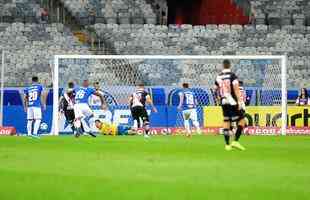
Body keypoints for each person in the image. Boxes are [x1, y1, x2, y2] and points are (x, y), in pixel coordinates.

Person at [214, 60, 246, 151]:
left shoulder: (218, 76)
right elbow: (236, 89)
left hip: (223, 101)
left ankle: (227, 145)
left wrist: (218, 98)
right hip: (232, 101)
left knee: (226, 121)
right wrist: (240, 101)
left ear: (223, 66)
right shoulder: (232, 76)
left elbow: (215, 89)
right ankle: (235, 141)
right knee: (242, 120)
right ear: (230, 66)